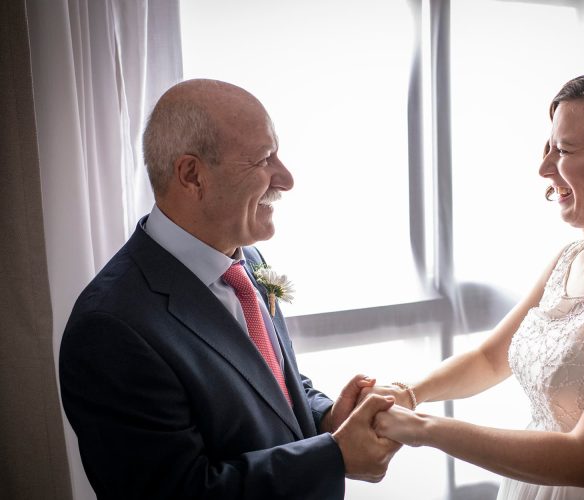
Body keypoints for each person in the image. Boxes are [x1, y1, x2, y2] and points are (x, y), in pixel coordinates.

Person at [369, 61, 584, 499]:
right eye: (548, 147)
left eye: (565, 151)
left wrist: (422, 429)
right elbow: (490, 359)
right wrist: (409, 393)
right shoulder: (568, 260)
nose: (544, 168)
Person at [59, 79, 399, 500]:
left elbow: (261, 385)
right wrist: (334, 457)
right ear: (192, 175)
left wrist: (328, 417)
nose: (287, 178)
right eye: (263, 160)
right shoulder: (110, 328)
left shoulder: (245, 260)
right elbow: (177, 492)